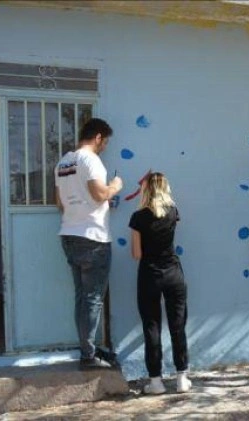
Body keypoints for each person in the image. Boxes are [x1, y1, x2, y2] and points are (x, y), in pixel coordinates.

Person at [55, 118, 123, 369]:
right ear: (97, 137)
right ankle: (88, 355)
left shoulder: (64, 161)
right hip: (92, 237)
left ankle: (88, 349)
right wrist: (115, 186)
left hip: (69, 235)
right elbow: (99, 194)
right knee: (93, 298)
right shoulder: (91, 160)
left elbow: (60, 203)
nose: (104, 146)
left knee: (81, 297)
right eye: (105, 141)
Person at [129, 172, 191, 395]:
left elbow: (136, 254)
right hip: (174, 273)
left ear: (146, 190)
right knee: (178, 326)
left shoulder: (138, 217)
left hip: (150, 275)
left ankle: (156, 382)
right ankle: (182, 377)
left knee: (151, 326)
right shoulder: (173, 212)